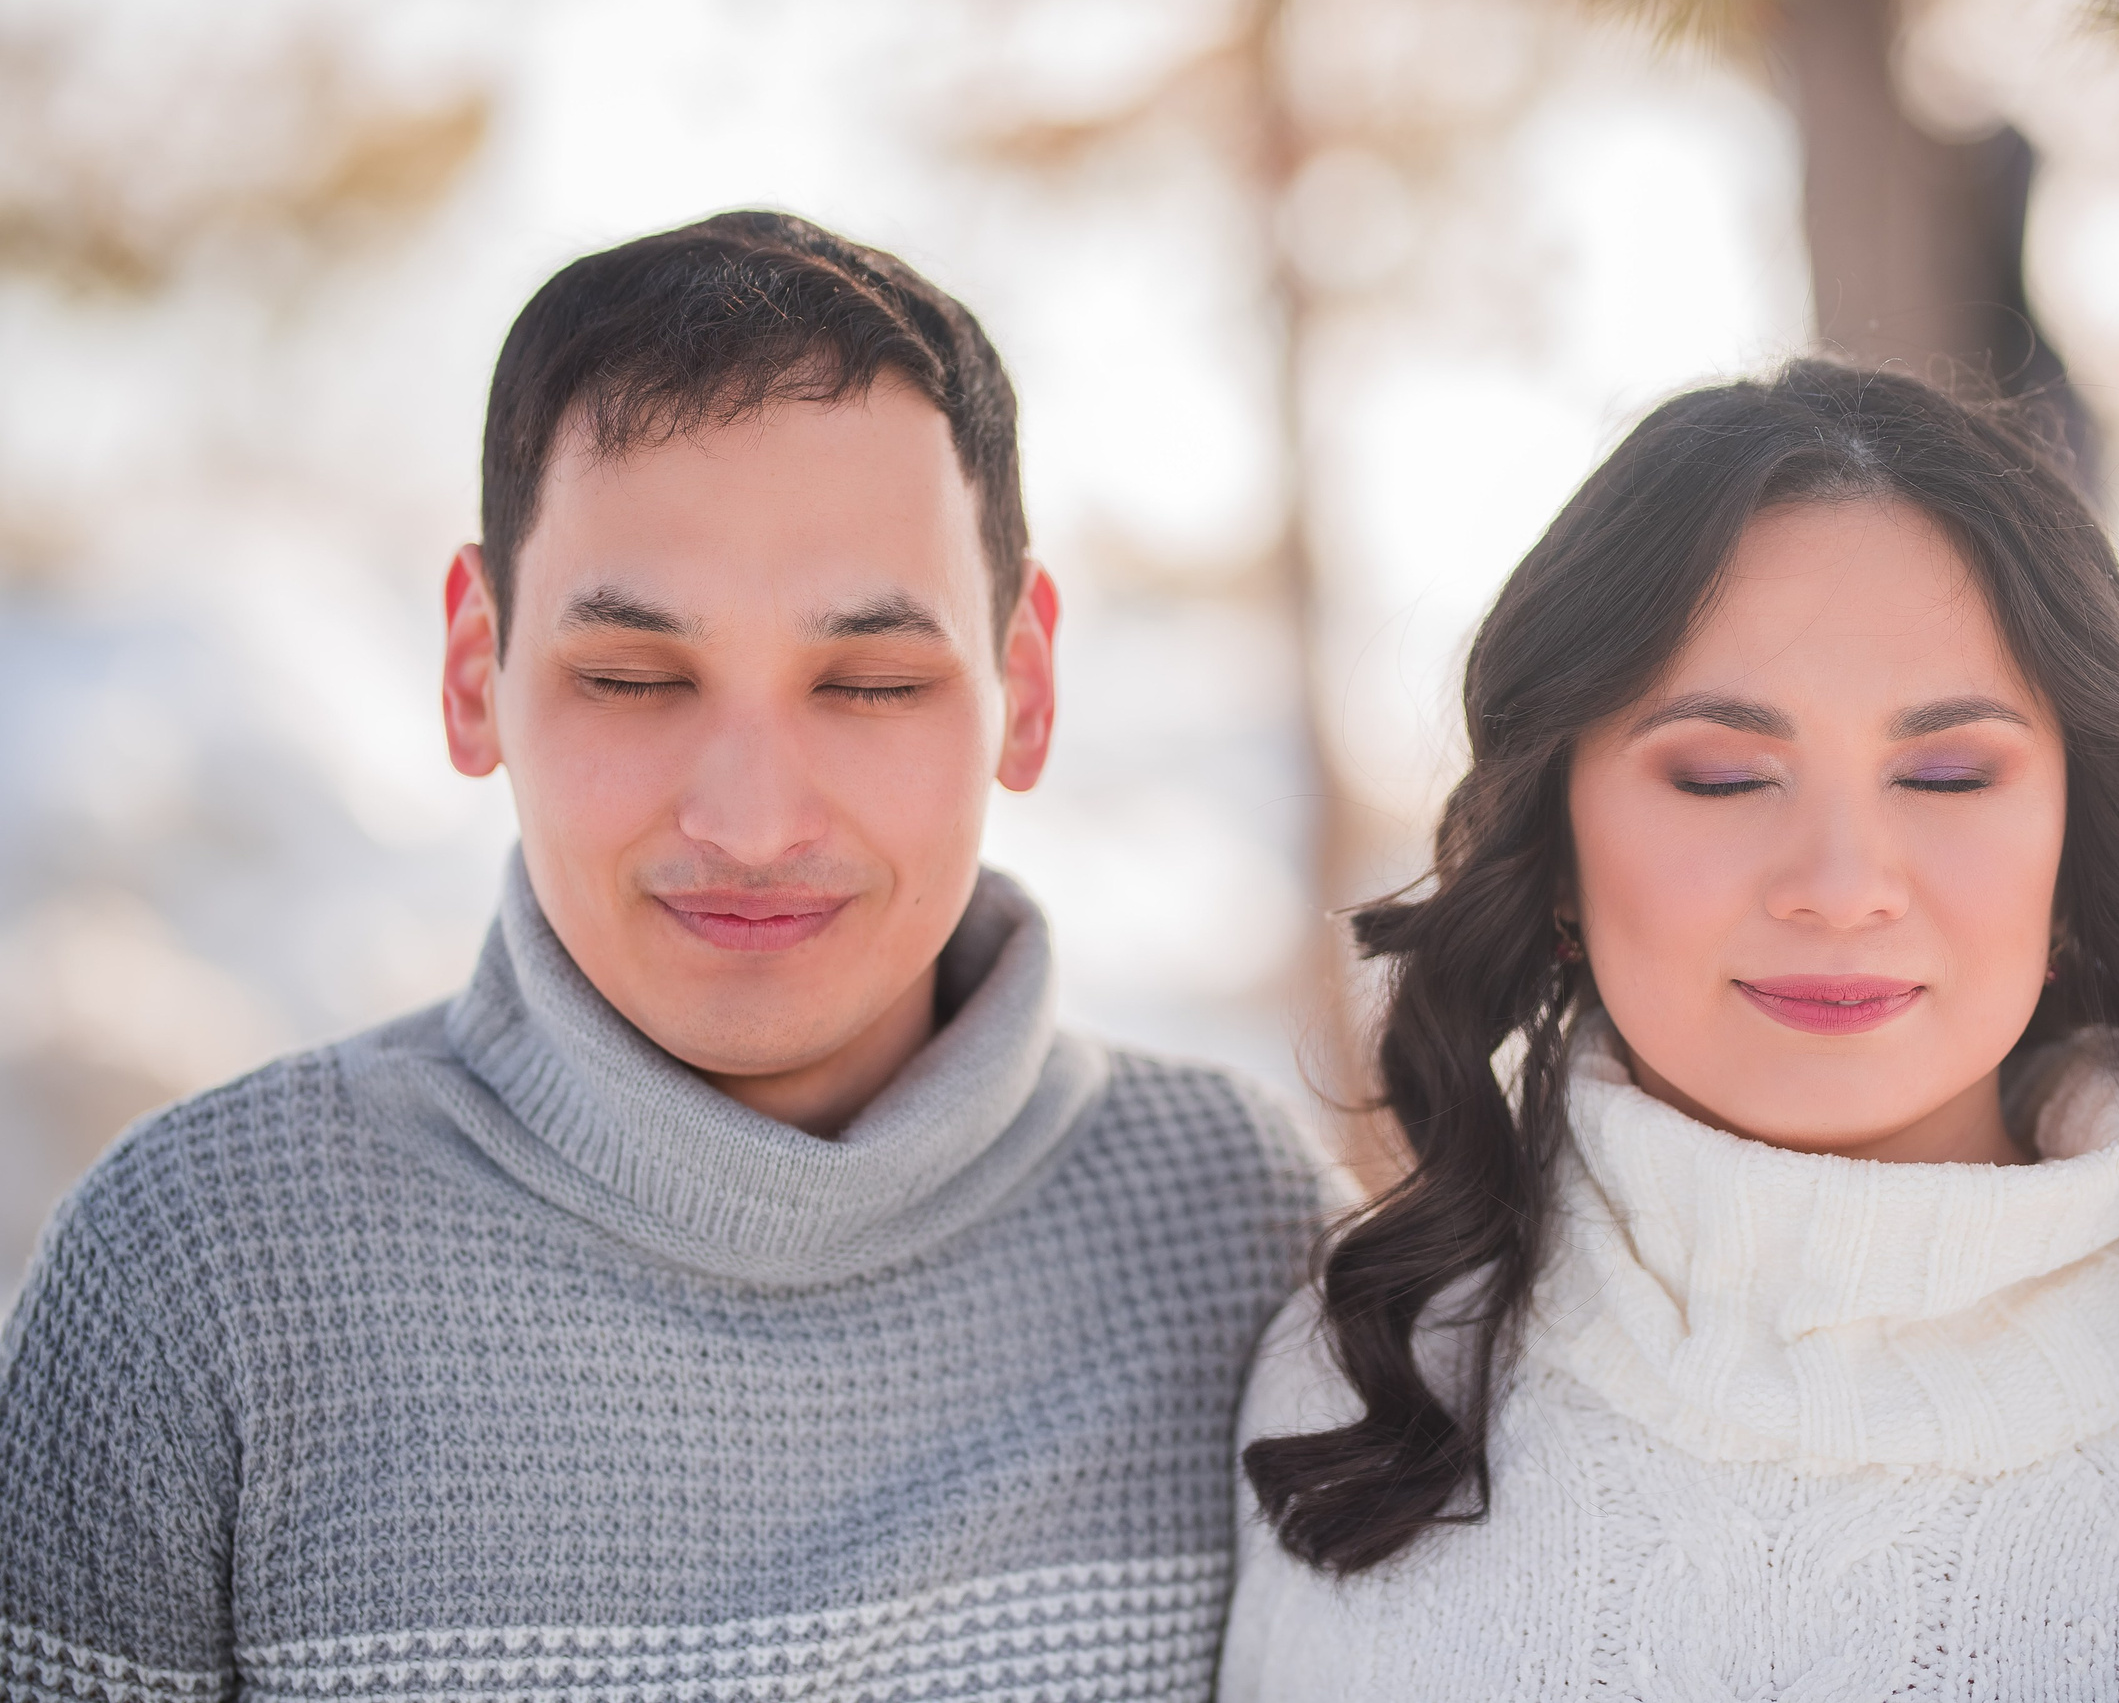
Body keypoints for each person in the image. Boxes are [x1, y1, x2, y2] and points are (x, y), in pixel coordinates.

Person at [0, 211, 1315, 1700]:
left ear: (1027, 685)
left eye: (870, 683)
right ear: (473, 671)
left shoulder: (1233, 1232)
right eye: (633, 677)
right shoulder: (190, 1280)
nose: (751, 821)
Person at [1220, 362, 2119, 1700]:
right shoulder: (1354, 1412)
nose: (1843, 884)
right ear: (1556, 851)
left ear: (2076, 853)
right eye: (1723, 775)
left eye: (1947, 774)